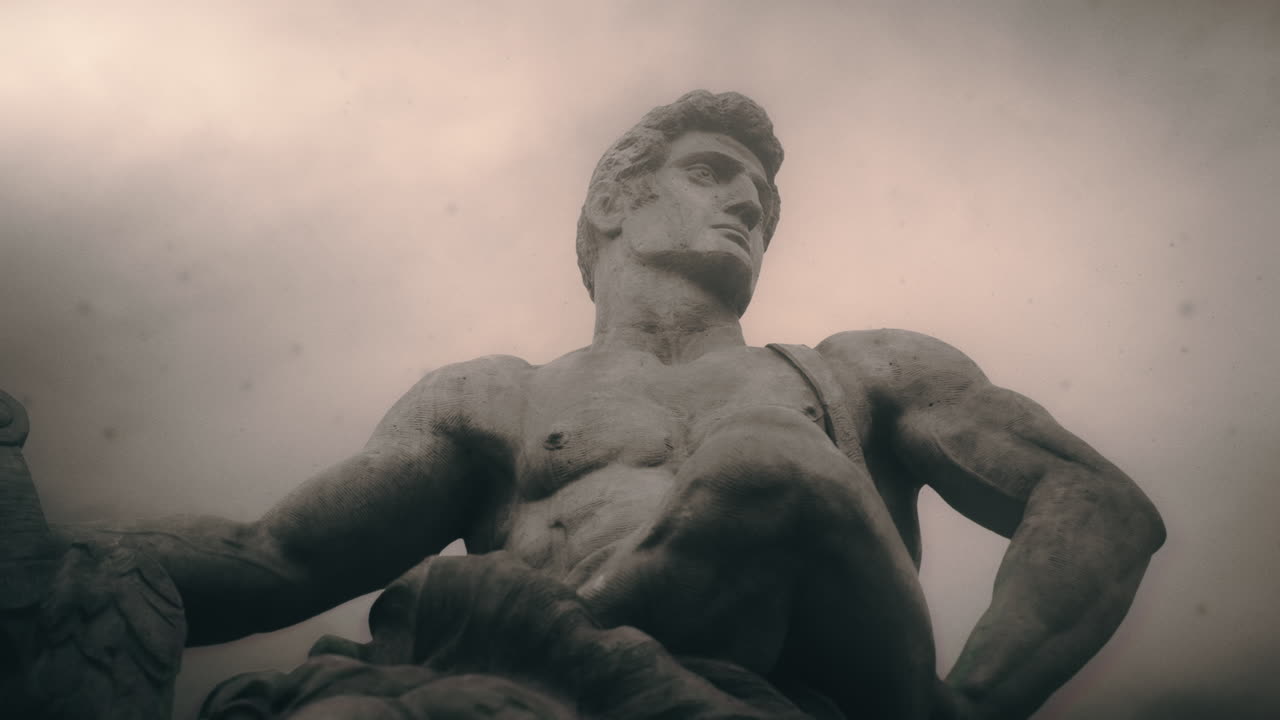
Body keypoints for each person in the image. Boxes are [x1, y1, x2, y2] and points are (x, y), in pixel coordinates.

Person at [22, 90, 1164, 719]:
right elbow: (274, 557)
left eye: (764, 199)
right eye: (716, 174)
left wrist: (968, 706)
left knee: (765, 462)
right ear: (618, 196)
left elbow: (1091, 501)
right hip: (537, 675)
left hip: (808, 686)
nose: (751, 205)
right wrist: (52, 553)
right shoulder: (492, 400)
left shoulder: (861, 370)